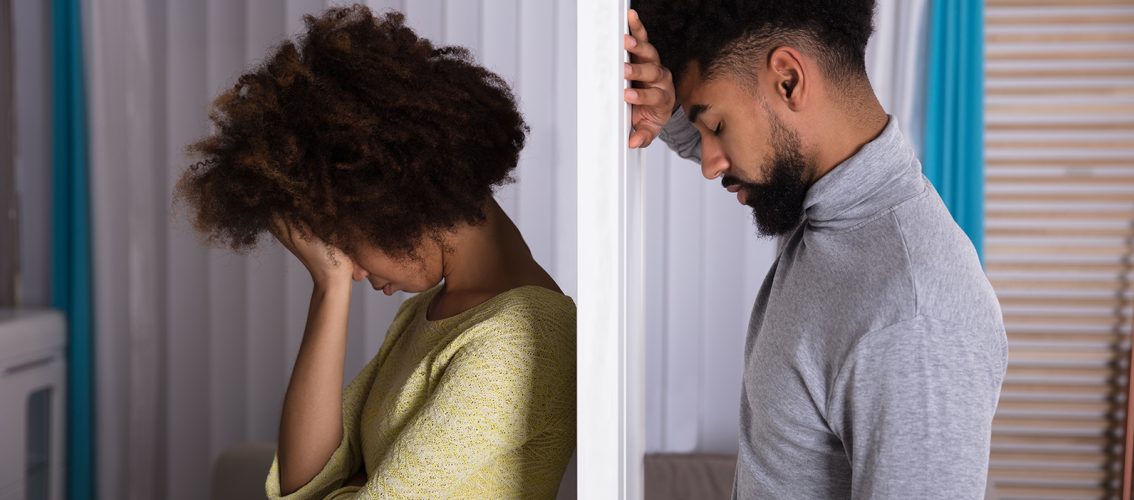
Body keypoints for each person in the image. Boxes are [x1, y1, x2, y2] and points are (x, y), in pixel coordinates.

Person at [175, 6, 575, 499]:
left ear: (392, 202)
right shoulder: (427, 315)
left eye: (344, 244)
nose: (356, 269)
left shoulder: (524, 331)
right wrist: (330, 285)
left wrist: (360, 482)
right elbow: (305, 483)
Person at [625, 1, 1007, 498]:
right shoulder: (826, 206)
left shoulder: (913, 315)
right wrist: (673, 110)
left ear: (788, 80)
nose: (710, 162)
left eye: (716, 126)